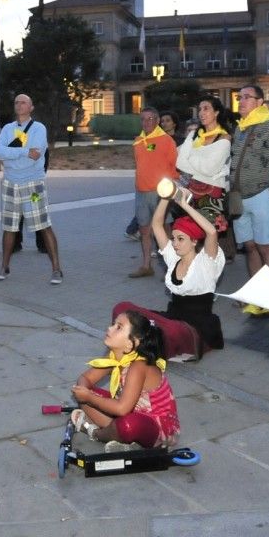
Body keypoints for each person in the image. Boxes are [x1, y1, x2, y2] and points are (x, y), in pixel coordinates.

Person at [113, 186, 225, 361]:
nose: (175, 244)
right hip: (172, 319)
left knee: (168, 332)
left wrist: (184, 204)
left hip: (195, 327)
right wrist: (166, 196)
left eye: (181, 239)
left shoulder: (206, 263)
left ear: (194, 241)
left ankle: (144, 346)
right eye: (173, 238)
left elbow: (211, 231)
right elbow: (157, 225)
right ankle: (141, 345)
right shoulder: (173, 259)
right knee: (123, 309)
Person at [69, 309, 180, 451]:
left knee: (128, 425)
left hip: (154, 426)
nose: (109, 328)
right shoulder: (116, 358)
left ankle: (95, 432)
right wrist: (84, 392)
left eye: (118, 327)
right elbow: (85, 378)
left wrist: (89, 396)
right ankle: (116, 434)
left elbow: (122, 409)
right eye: (113, 324)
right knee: (81, 392)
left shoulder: (139, 366)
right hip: (129, 412)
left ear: (130, 344)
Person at [0, 93, 63, 284]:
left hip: (32, 184)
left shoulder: (39, 128)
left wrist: (12, 156)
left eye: (23, 102)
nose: (19, 105)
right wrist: (24, 152)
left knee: (43, 225)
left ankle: (56, 269)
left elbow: (37, 153)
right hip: (10, 184)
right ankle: (4, 266)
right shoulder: (8, 129)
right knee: (9, 227)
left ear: (31, 107)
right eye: (16, 102)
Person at [227, 85, 269, 276]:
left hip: (262, 194)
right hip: (239, 197)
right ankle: (257, 298)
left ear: (260, 102)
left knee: (265, 247)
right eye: (240, 97)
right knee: (249, 247)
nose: (241, 101)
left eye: (247, 97)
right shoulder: (241, 128)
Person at [178, 95, 235, 260]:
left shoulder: (225, 138)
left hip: (212, 196)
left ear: (216, 112)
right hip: (192, 192)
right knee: (192, 236)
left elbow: (210, 169)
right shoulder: (195, 135)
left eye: (206, 108)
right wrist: (195, 162)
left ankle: (209, 275)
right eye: (200, 109)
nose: (201, 113)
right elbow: (180, 162)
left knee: (209, 237)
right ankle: (194, 275)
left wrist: (190, 157)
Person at [128, 107, 177, 278]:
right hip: (141, 191)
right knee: (144, 230)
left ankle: (173, 267)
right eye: (143, 119)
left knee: (165, 229)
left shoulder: (166, 140)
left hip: (160, 193)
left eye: (150, 119)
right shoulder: (138, 140)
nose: (146, 122)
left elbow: (174, 166)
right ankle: (146, 265)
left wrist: (168, 190)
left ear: (157, 121)